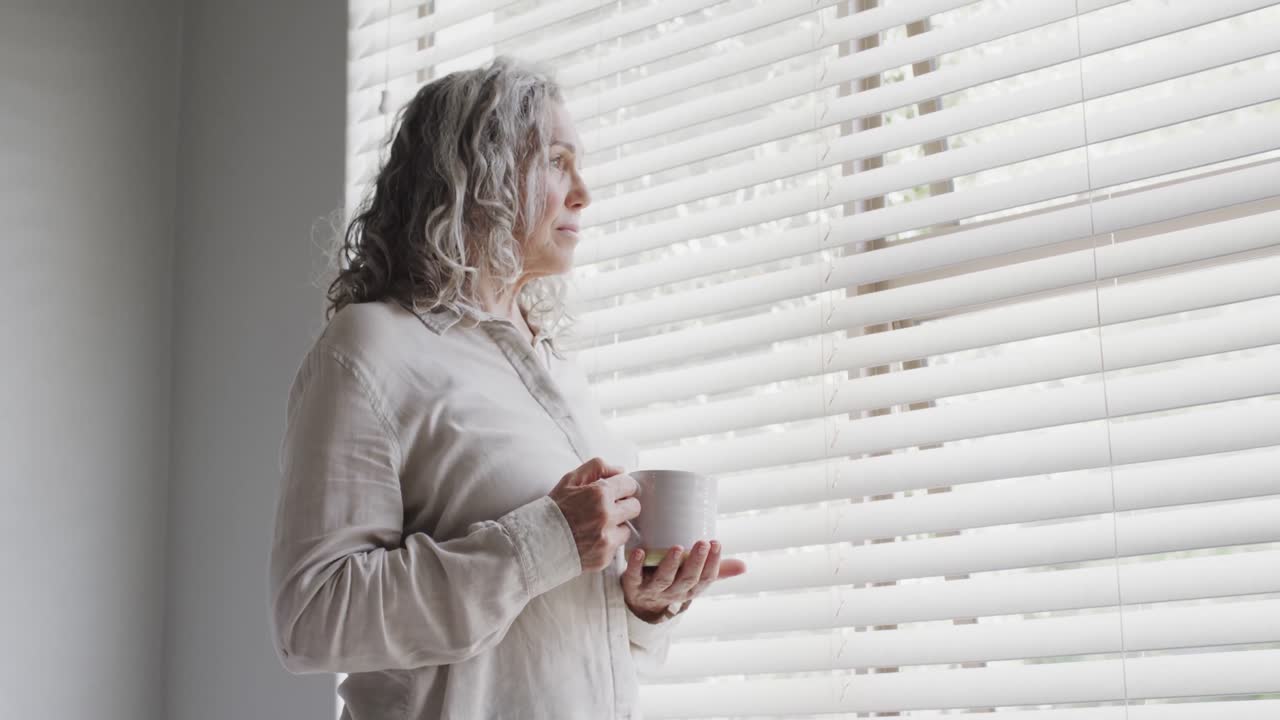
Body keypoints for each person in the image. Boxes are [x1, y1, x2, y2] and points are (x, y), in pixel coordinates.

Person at [267, 55, 747, 719]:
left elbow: (546, 634)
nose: (584, 192)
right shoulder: (370, 348)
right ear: (473, 178)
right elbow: (313, 617)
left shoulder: (558, 374)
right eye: (555, 160)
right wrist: (542, 542)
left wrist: (641, 604)